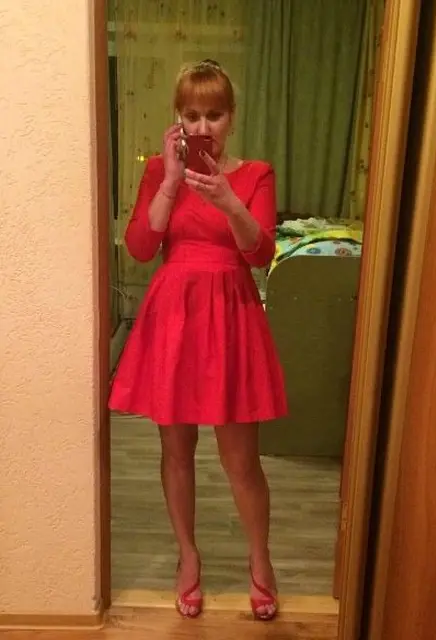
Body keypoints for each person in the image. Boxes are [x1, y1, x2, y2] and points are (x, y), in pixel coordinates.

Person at [109, 59, 287, 621]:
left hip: (231, 315)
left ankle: (261, 559)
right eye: (192, 115)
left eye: (214, 115)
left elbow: (260, 254)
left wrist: (229, 201)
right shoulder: (157, 172)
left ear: (231, 117)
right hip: (174, 318)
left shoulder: (255, 174)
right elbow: (141, 247)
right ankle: (188, 557)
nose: (203, 126)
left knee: (242, 460)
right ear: (178, 119)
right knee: (176, 452)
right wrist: (169, 182)